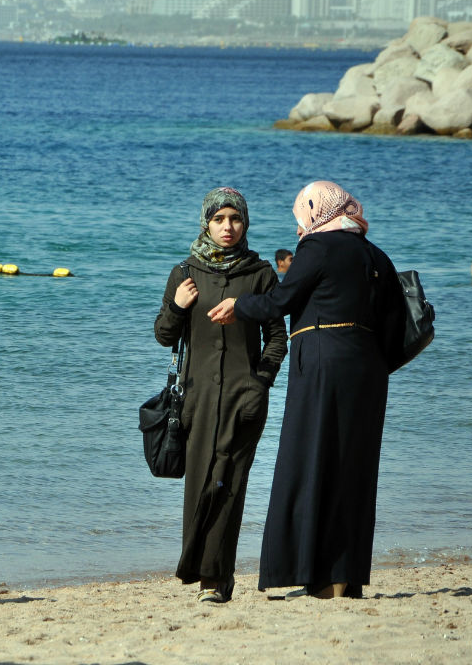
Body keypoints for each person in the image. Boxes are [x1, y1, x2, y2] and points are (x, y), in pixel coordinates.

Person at [207, 180, 407, 600]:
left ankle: (314, 577)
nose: (299, 227)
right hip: (369, 371)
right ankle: (345, 578)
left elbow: (281, 299)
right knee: (354, 470)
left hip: (322, 361)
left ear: (316, 211)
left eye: (301, 216)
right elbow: (394, 325)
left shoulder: (318, 248)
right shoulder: (376, 255)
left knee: (310, 462)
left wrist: (238, 306)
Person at [154, 187, 288, 605]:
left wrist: (259, 382)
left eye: (235, 219)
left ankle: (217, 579)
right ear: (206, 223)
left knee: (228, 484)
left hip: (244, 399)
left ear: (245, 223)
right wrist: (178, 306)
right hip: (196, 399)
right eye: (219, 220)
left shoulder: (260, 274)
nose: (227, 227)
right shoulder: (185, 271)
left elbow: (278, 338)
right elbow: (163, 335)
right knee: (199, 485)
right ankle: (199, 571)